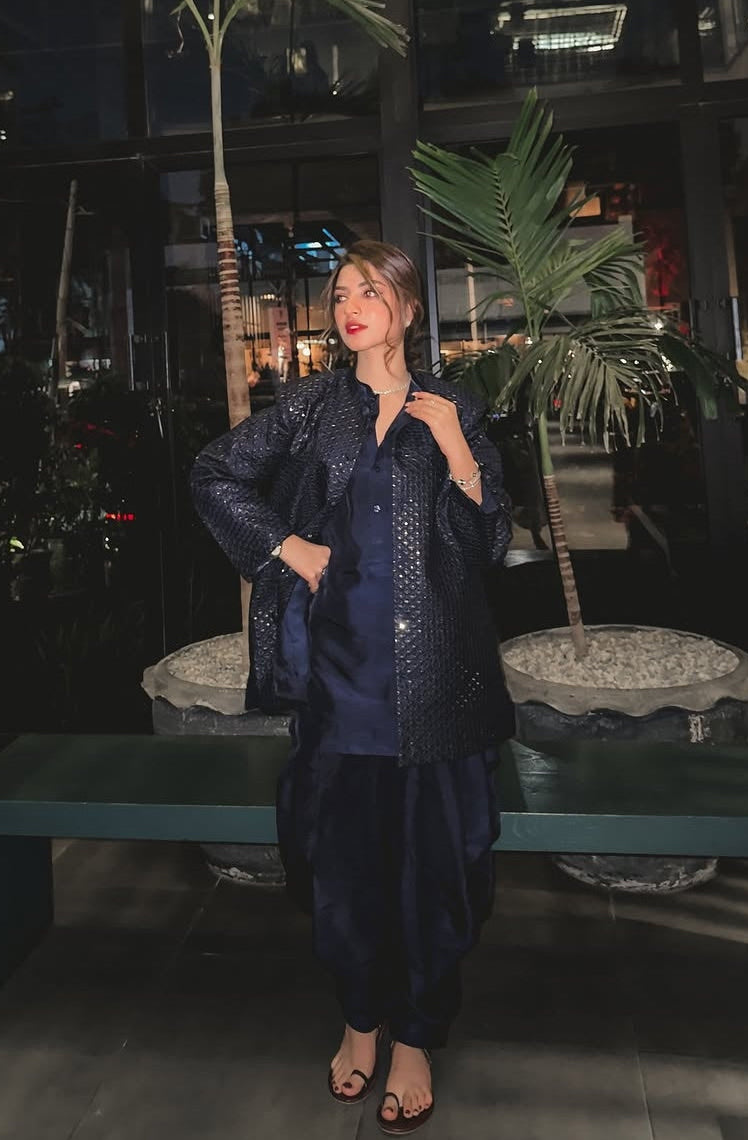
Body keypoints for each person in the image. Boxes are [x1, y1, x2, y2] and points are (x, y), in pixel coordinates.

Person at [190, 240, 513, 1134]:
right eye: (340, 293)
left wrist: (455, 450)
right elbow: (212, 474)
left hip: (436, 686)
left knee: (435, 874)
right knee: (342, 869)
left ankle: (415, 1036)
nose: (351, 305)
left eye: (372, 290)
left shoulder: (459, 408)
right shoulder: (310, 405)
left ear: (409, 309)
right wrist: (284, 547)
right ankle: (360, 1020)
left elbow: (489, 544)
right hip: (338, 686)